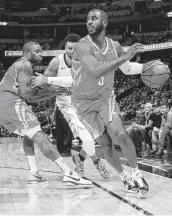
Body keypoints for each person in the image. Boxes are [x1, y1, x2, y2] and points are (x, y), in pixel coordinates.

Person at [71, 9, 152, 197]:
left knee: (120, 133)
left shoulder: (114, 45)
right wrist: (126, 55)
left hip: (105, 97)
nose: (89, 22)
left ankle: (137, 174)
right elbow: (96, 71)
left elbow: (127, 68)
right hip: (83, 103)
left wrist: (146, 67)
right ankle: (125, 177)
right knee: (106, 145)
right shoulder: (82, 46)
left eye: (94, 18)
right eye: (87, 19)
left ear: (105, 22)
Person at [0, 41, 92, 186]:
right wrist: (58, 90)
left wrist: (54, 92)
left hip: (3, 105)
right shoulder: (25, 64)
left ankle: (34, 173)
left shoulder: (20, 65)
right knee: (40, 135)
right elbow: (28, 95)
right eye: (37, 51)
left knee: (29, 136)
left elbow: (28, 94)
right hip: (9, 102)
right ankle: (68, 173)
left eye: (41, 51)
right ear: (26, 53)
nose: (41, 54)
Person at [32, 34, 111, 179]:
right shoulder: (57, 62)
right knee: (87, 140)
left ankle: (79, 158)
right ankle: (95, 161)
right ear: (65, 48)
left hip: (85, 103)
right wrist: (54, 87)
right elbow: (44, 84)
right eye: (69, 48)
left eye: (75, 49)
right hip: (67, 106)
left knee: (94, 137)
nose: (72, 51)